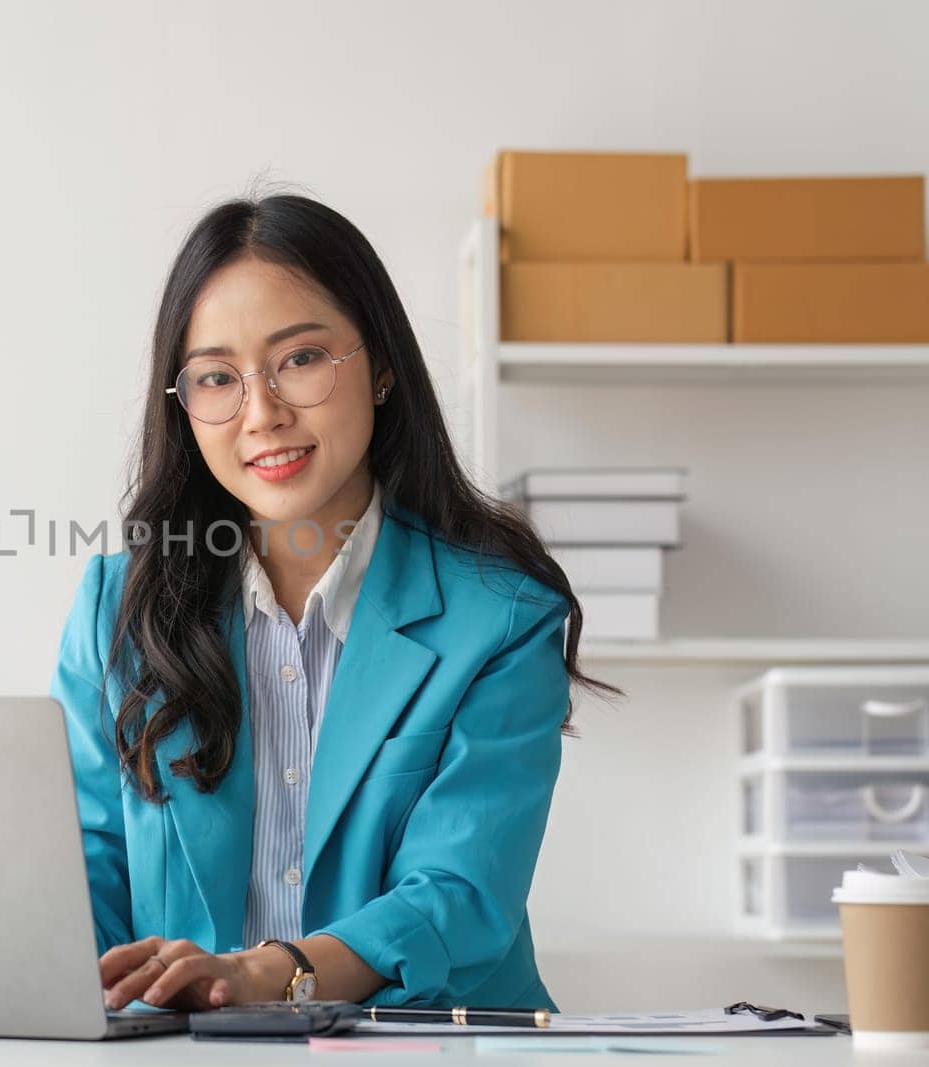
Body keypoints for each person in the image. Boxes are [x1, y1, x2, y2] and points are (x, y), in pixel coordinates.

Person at [48, 193, 615, 1014]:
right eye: (216, 378)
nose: (262, 414)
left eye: (301, 359)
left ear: (380, 365)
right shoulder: (119, 609)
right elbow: (80, 868)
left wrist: (265, 974)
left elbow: (456, 895)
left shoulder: (499, 614)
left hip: (432, 1047)